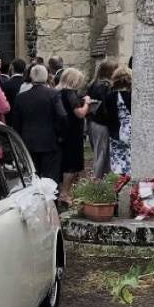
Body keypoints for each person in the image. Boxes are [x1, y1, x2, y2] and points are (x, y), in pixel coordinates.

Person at [9, 63, 67, 184]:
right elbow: (62, 115)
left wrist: (19, 140)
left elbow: (16, 122)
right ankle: (50, 202)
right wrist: (61, 135)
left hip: (28, 142)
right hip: (50, 141)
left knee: (33, 177)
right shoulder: (53, 94)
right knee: (50, 179)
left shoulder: (21, 97)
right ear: (46, 77)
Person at [55, 68, 92, 205]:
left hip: (62, 132)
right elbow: (80, 113)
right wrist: (87, 103)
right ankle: (65, 194)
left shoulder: (56, 92)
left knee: (64, 163)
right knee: (71, 165)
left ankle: (62, 193)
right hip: (72, 133)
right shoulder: (70, 94)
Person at [96, 65, 133, 175]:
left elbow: (102, 114)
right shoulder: (132, 95)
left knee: (117, 162)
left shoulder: (109, 96)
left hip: (114, 132)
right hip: (132, 131)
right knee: (132, 160)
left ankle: (120, 184)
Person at [86, 60, 118, 178]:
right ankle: (96, 180)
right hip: (101, 123)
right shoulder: (104, 86)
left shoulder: (94, 84)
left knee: (101, 152)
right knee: (101, 153)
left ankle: (104, 178)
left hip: (93, 122)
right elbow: (105, 108)